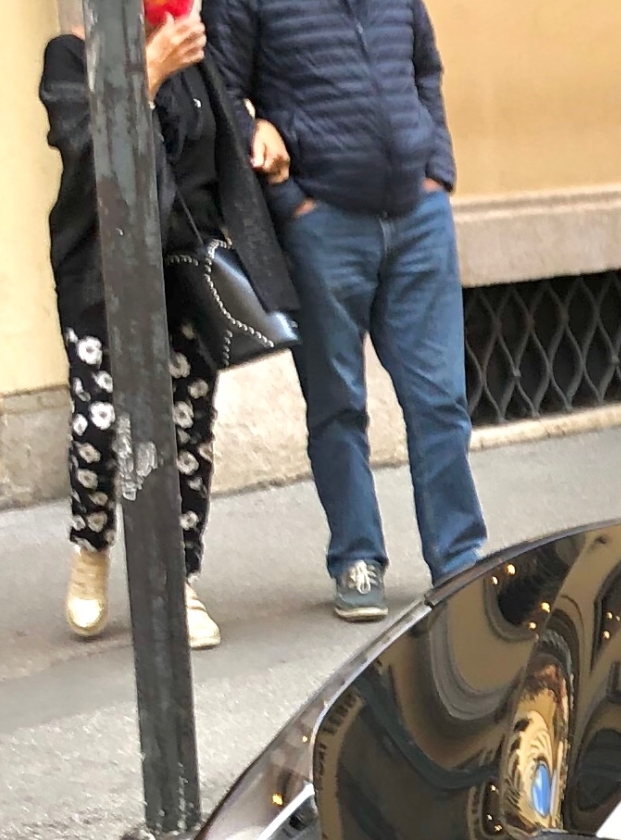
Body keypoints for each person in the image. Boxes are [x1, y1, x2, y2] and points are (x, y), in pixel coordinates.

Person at [208, 0, 485, 622]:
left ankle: (460, 559)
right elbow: (220, 89)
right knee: (337, 405)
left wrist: (437, 170)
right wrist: (288, 198)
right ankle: (357, 558)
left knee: (440, 399)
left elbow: (424, 71)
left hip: (419, 219)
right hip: (323, 224)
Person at [40, 0, 296, 650]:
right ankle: (92, 546)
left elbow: (218, 150)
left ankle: (176, 581)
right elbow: (84, 153)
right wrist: (146, 76)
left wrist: (260, 131)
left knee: (188, 432)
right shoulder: (72, 58)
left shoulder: (194, 55)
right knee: (100, 431)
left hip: (187, 272)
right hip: (104, 275)